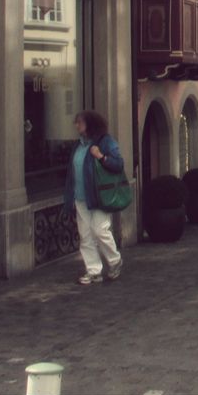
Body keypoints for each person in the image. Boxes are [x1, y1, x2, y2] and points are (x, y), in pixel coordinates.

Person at [63, 110, 124, 285]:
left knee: (100, 230)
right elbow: (72, 172)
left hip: (99, 196)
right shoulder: (78, 145)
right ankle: (93, 270)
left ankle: (114, 261)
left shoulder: (105, 142)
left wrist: (101, 156)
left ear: (90, 123)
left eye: (79, 122)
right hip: (80, 197)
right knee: (86, 235)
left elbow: (118, 164)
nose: (76, 125)